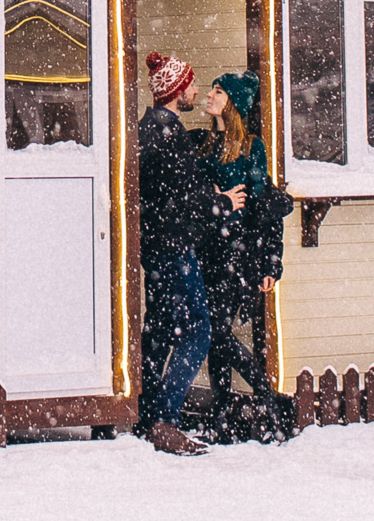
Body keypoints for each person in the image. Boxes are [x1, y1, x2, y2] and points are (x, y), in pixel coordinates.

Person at [136, 50, 219, 456]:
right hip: (174, 247)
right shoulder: (171, 136)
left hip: (153, 246)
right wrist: (221, 203)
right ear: (176, 90)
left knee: (159, 332)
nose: (197, 90)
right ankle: (166, 419)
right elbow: (188, 194)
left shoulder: (145, 129)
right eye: (192, 84)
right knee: (197, 330)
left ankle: (148, 414)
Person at [200, 71, 289, 404]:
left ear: (233, 104)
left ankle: (267, 396)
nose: (209, 95)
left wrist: (270, 263)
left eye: (218, 91)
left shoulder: (252, 148)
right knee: (213, 337)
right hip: (209, 251)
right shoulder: (207, 144)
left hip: (236, 254)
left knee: (217, 332)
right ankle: (221, 410)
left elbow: (268, 208)